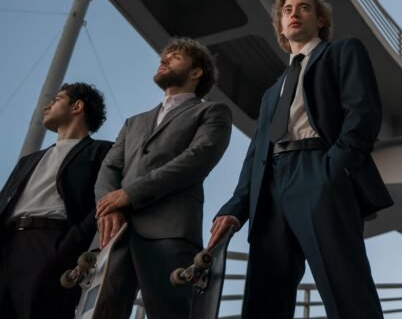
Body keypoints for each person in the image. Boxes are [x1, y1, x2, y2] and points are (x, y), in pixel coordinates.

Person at [210, 0, 393, 319]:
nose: (294, 14)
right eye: (287, 10)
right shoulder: (271, 92)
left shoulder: (342, 52)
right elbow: (256, 154)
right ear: (281, 24)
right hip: (270, 188)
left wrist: (333, 170)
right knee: (264, 300)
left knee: (345, 289)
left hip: (319, 171)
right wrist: (236, 204)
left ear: (320, 20)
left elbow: (363, 113)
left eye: (304, 8)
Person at [94, 37, 232, 319]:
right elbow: (109, 169)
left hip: (169, 232)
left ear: (196, 73)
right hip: (115, 234)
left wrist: (130, 193)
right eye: (163, 56)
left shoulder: (212, 112)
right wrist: (108, 208)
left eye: (175, 56)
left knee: (169, 313)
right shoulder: (134, 122)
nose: (164, 59)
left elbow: (196, 159)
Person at [0, 82, 112, 319]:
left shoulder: (102, 152)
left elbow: (103, 202)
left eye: (57, 99)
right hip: (8, 244)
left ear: (77, 107)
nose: (46, 107)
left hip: (50, 242)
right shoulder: (29, 160)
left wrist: (68, 245)